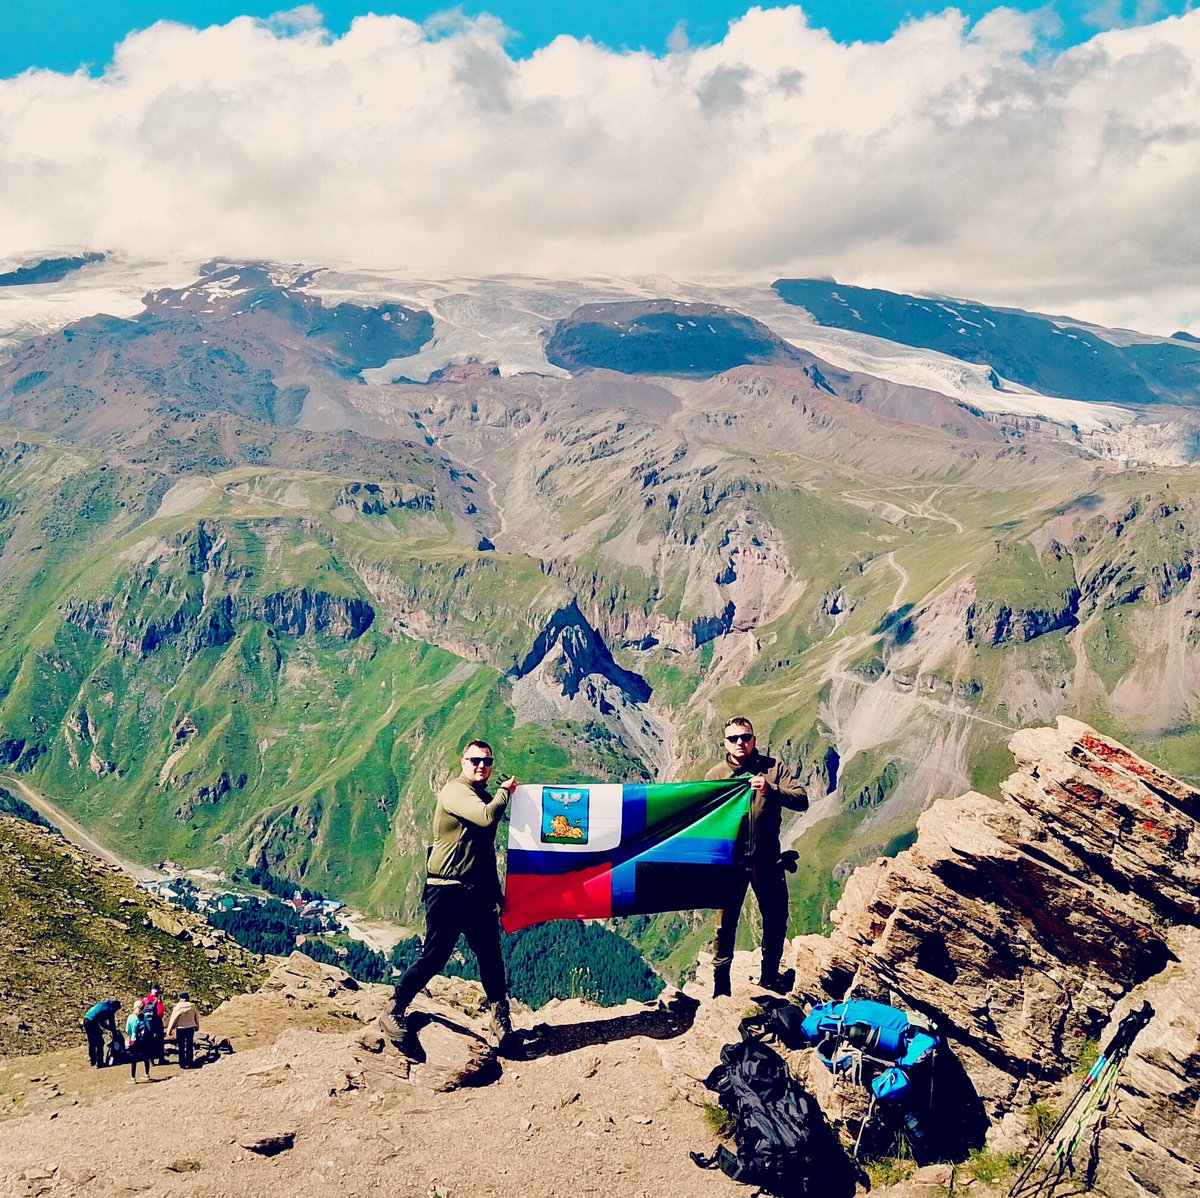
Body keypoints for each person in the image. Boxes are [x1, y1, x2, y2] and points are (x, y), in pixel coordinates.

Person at [383, 739, 517, 1047]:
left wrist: (497, 895)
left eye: (486, 761)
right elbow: (486, 816)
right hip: (446, 889)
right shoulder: (456, 791)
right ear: (463, 762)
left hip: (477, 891)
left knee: (491, 957)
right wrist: (504, 793)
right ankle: (394, 1006)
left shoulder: (479, 794)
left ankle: (500, 1019)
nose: (481, 765)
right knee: (435, 956)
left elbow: (482, 853)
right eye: (475, 760)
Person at [706, 716, 808, 997]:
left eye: (746, 737)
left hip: (768, 860)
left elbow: (801, 799)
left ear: (754, 739)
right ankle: (721, 984)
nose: (741, 743)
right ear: (725, 742)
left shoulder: (773, 770)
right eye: (734, 739)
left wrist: (770, 789)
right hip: (731, 864)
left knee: (775, 918)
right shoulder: (716, 776)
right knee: (725, 924)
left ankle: (770, 976)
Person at [81, 999, 121, 1067]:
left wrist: (110, 1029)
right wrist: (113, 1031)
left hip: (86, 1019)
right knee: (100, 1043)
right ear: (115, 1007)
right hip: (92, 1022)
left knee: (92, 1041)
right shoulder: (109, 1009)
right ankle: (100, 1062)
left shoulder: (105, 1004)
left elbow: (103, 1023)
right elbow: (108, 1023)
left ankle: (93, 1060)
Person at [166, 992, 201, 1069]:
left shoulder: (178, 1007)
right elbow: (196, 1017)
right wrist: (197, 1026)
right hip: (190, 1027)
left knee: (181, 1046)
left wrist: (169, 1030)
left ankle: (182, 1062)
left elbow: (173, 1019)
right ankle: (190, 1061)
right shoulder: (192, 1006)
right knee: (189, 1045)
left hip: (181, 1028)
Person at [125, 1000, 153, 1083]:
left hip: (134, 1040)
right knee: (145, 1058)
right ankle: (146, 1074)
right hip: (144, 1040)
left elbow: (127, 1030)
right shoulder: (144, 1017)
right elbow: (148, 1028)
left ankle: (133, 1078)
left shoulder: (131, 1017)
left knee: (134, 1059)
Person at [141, 985, 166, 1065]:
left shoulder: (145, 1000)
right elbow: (160, 1013)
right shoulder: (157, 1000)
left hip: (147, 1024)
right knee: (160, 1040)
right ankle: (161, 1058)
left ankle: (150, 1059)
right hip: (157, 1023)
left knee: (149, 1041)